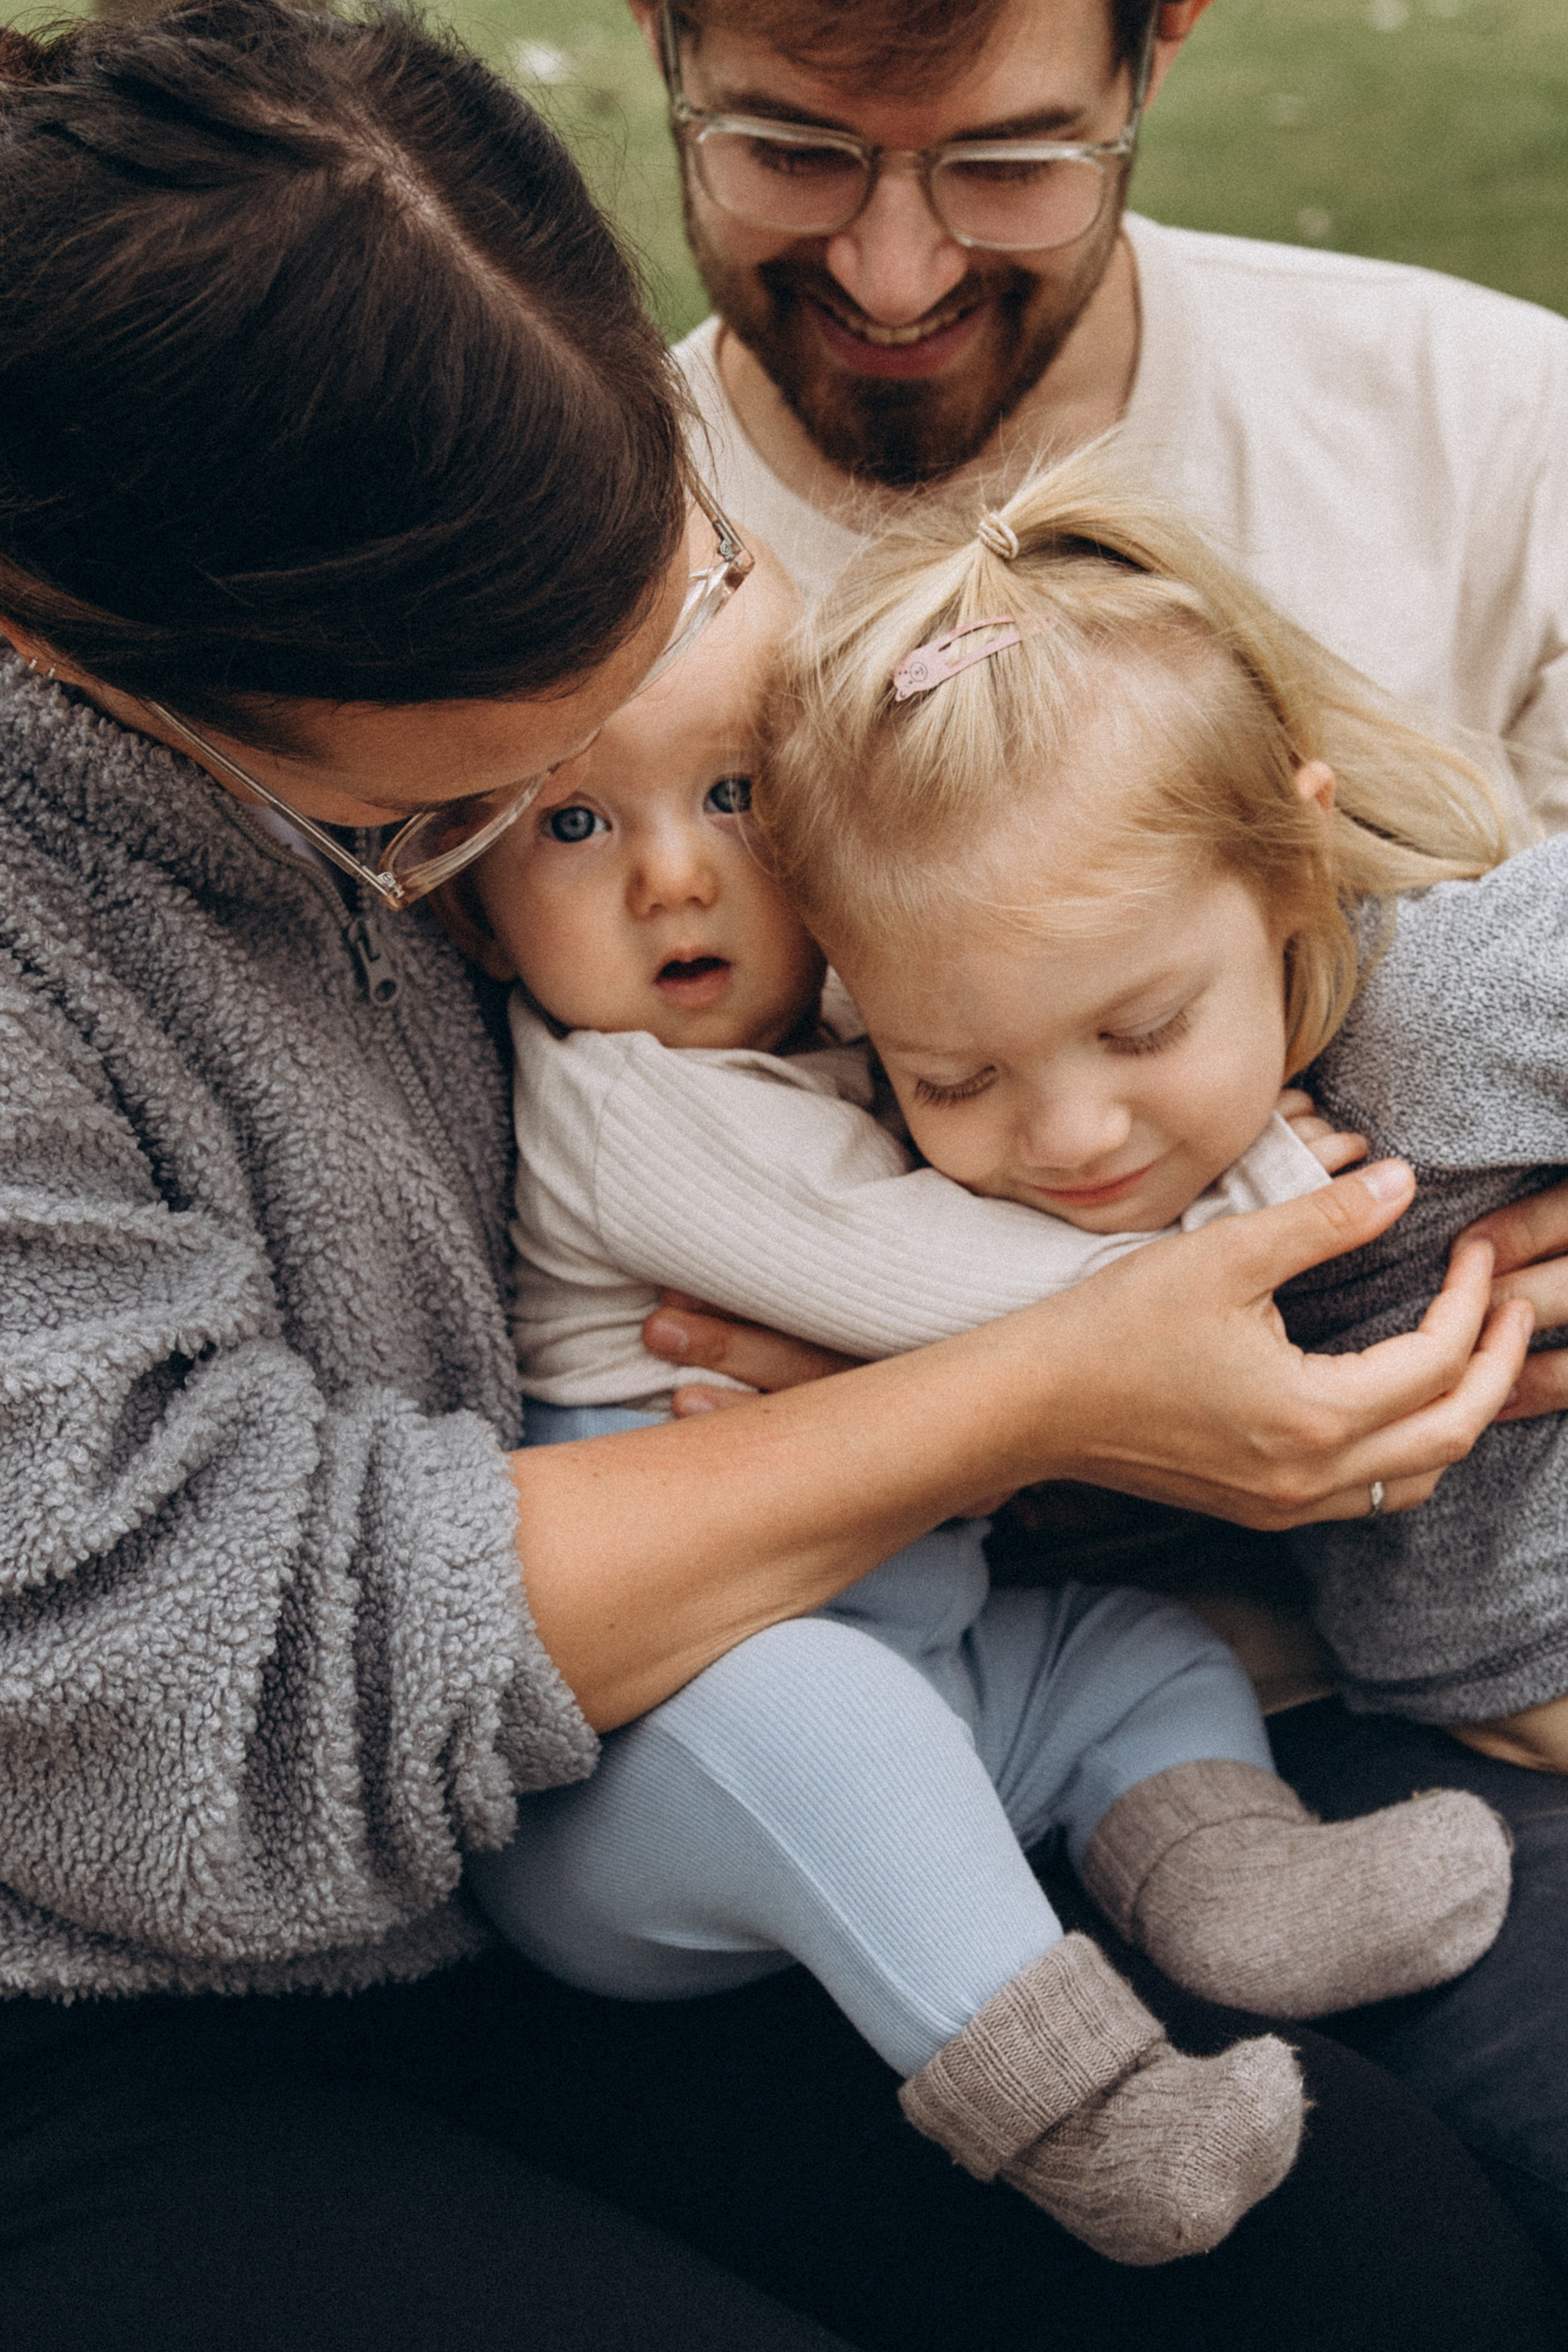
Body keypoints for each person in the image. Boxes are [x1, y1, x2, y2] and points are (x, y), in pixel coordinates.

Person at [0, 6, 1561, 2347]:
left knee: (1375, 2264)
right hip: (130, 1994)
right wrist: (1040, 1393)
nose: (678, 887)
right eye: (486, 824)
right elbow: (206, 1671)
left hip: (570, 1823)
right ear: (113, 678)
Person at [450, 535, 1509, 2268]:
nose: (671, 879)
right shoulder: (624, 1110)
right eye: (574, 826)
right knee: (827, 1727)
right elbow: (971, 1298)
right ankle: (1094, 2115)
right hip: (652, 1763)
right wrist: (1252, 1207)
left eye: (733, 799)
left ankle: (1237, 1885)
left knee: (1132, 1663)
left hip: (931, 1662)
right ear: (475, 903)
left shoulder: (838, 1039)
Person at [755, 445, 1568, 2257]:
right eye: (953, 1074)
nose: (1069, 1135)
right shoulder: (948, 1219)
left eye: (1142, 1022)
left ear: (1289, 872)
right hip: (1451, 1720)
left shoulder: (1438, 1018)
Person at [627, 0, 1568, 827]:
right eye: (792, 154)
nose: (896, 284)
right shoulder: (556, 558)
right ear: (656, 28)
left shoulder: (1510, 439)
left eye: (1011, 164)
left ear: (1164, 35)